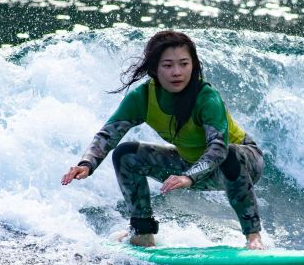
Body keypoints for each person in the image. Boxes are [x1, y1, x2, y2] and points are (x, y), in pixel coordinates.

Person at [61, 30, 266, 249]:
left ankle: (253, 237)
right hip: (190, 165)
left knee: (231, 153)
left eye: (184, 64)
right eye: (168, 65)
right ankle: (142, 232)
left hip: (241, 162)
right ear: (154, 69)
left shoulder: (206, 98)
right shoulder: (143, 98)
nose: (177, 72)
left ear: (193, 65)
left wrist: (189, 176)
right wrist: (87, 163)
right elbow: (108, 134)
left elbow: (218, 148)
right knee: (126, 154)